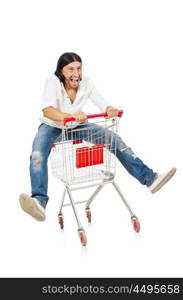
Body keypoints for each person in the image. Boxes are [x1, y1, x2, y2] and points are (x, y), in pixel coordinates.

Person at [19, 52, 177, 221]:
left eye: (79, 69)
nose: (76, 74)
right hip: (52, 126)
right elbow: (47, 110)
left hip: (77, 126)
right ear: (61, 71)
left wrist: (109, 108)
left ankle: (150, 178)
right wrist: (69, 116)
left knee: (113, 139)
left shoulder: (86, 82)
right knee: (37, 154)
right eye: (70, 69)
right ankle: (39, 202)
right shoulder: (52, 81)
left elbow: (101, 101)